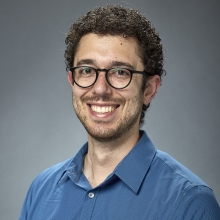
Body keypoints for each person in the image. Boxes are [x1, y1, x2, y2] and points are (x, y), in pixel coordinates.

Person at [19, 5, 220, 220]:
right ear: (72, 81)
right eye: (87, 70)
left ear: (149, 89)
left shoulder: (190, 203)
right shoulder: (40, 190)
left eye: (120, 72)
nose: (100, 89)